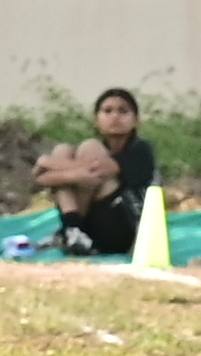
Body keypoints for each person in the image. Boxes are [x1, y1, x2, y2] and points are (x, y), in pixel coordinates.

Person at [47, 88, 158, 255]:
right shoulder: (97, 151)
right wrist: (73, 173)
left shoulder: (141, 150)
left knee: (89, 148)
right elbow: (39, 178)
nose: (115, 117)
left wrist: (48, 166)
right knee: (62, 151)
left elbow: (99, 170)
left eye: (123, 111)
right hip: (92, 226)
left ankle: (73, 229)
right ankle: (74, 231)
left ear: (136, 120)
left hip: (124, 230)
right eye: (107, 111)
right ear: (96, 120)